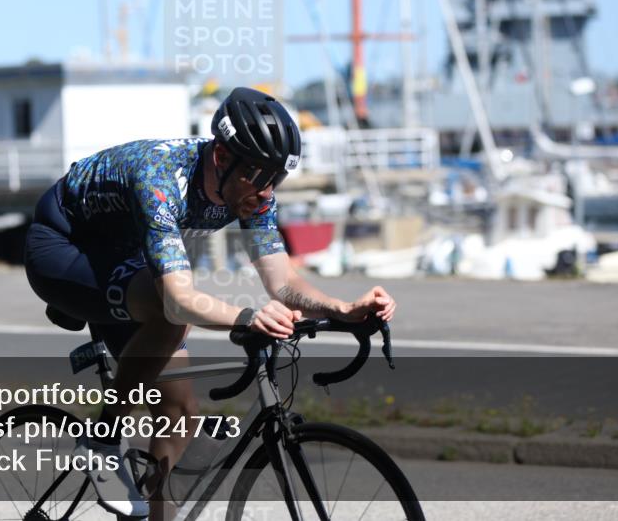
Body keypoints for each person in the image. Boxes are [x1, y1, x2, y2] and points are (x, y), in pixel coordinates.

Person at [24, 87, 397, 519]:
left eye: (276, 178)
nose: (266, 190)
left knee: (180, 411)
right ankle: (103, 439)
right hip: (64, 248)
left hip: (124, 257)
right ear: (222, 158)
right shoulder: (161, 177)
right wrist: (246, 317)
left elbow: (281, 280)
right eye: (259, 176)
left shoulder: (250, 188)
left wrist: (341, 308)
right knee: (171, 317)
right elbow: (180, 300)